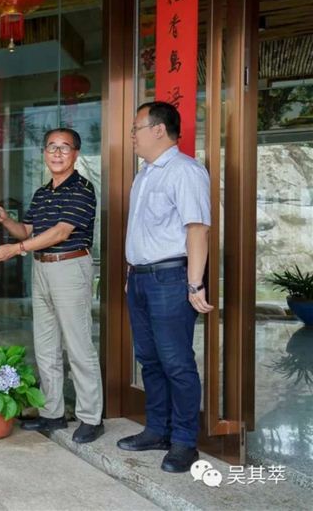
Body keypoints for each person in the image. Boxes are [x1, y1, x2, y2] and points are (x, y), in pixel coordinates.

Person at [0, 128, 103, 444]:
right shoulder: (42, 193)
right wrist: (4, 219)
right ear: (44, 153)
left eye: (64, 147)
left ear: (76, 154)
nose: (57, 153)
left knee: (78, 345)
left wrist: (15, 250)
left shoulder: (82, 189)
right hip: (41, 268)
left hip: (70, 266)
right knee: (46, 345)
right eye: (52, 147)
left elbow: (61, 232)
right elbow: (27, 231)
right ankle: (52, 413)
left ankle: (91, 417)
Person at [117, 101, 213, 473]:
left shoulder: (185, 171)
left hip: (170, 279)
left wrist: (195, 284)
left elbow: (197, 229)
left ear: (158, 130)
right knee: (150, 360)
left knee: (176, 362)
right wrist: (132, 272)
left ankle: (185, 442)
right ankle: (157, 430)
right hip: (140, 278)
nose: (131, 135)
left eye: (136, 128)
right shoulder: (143, 174)